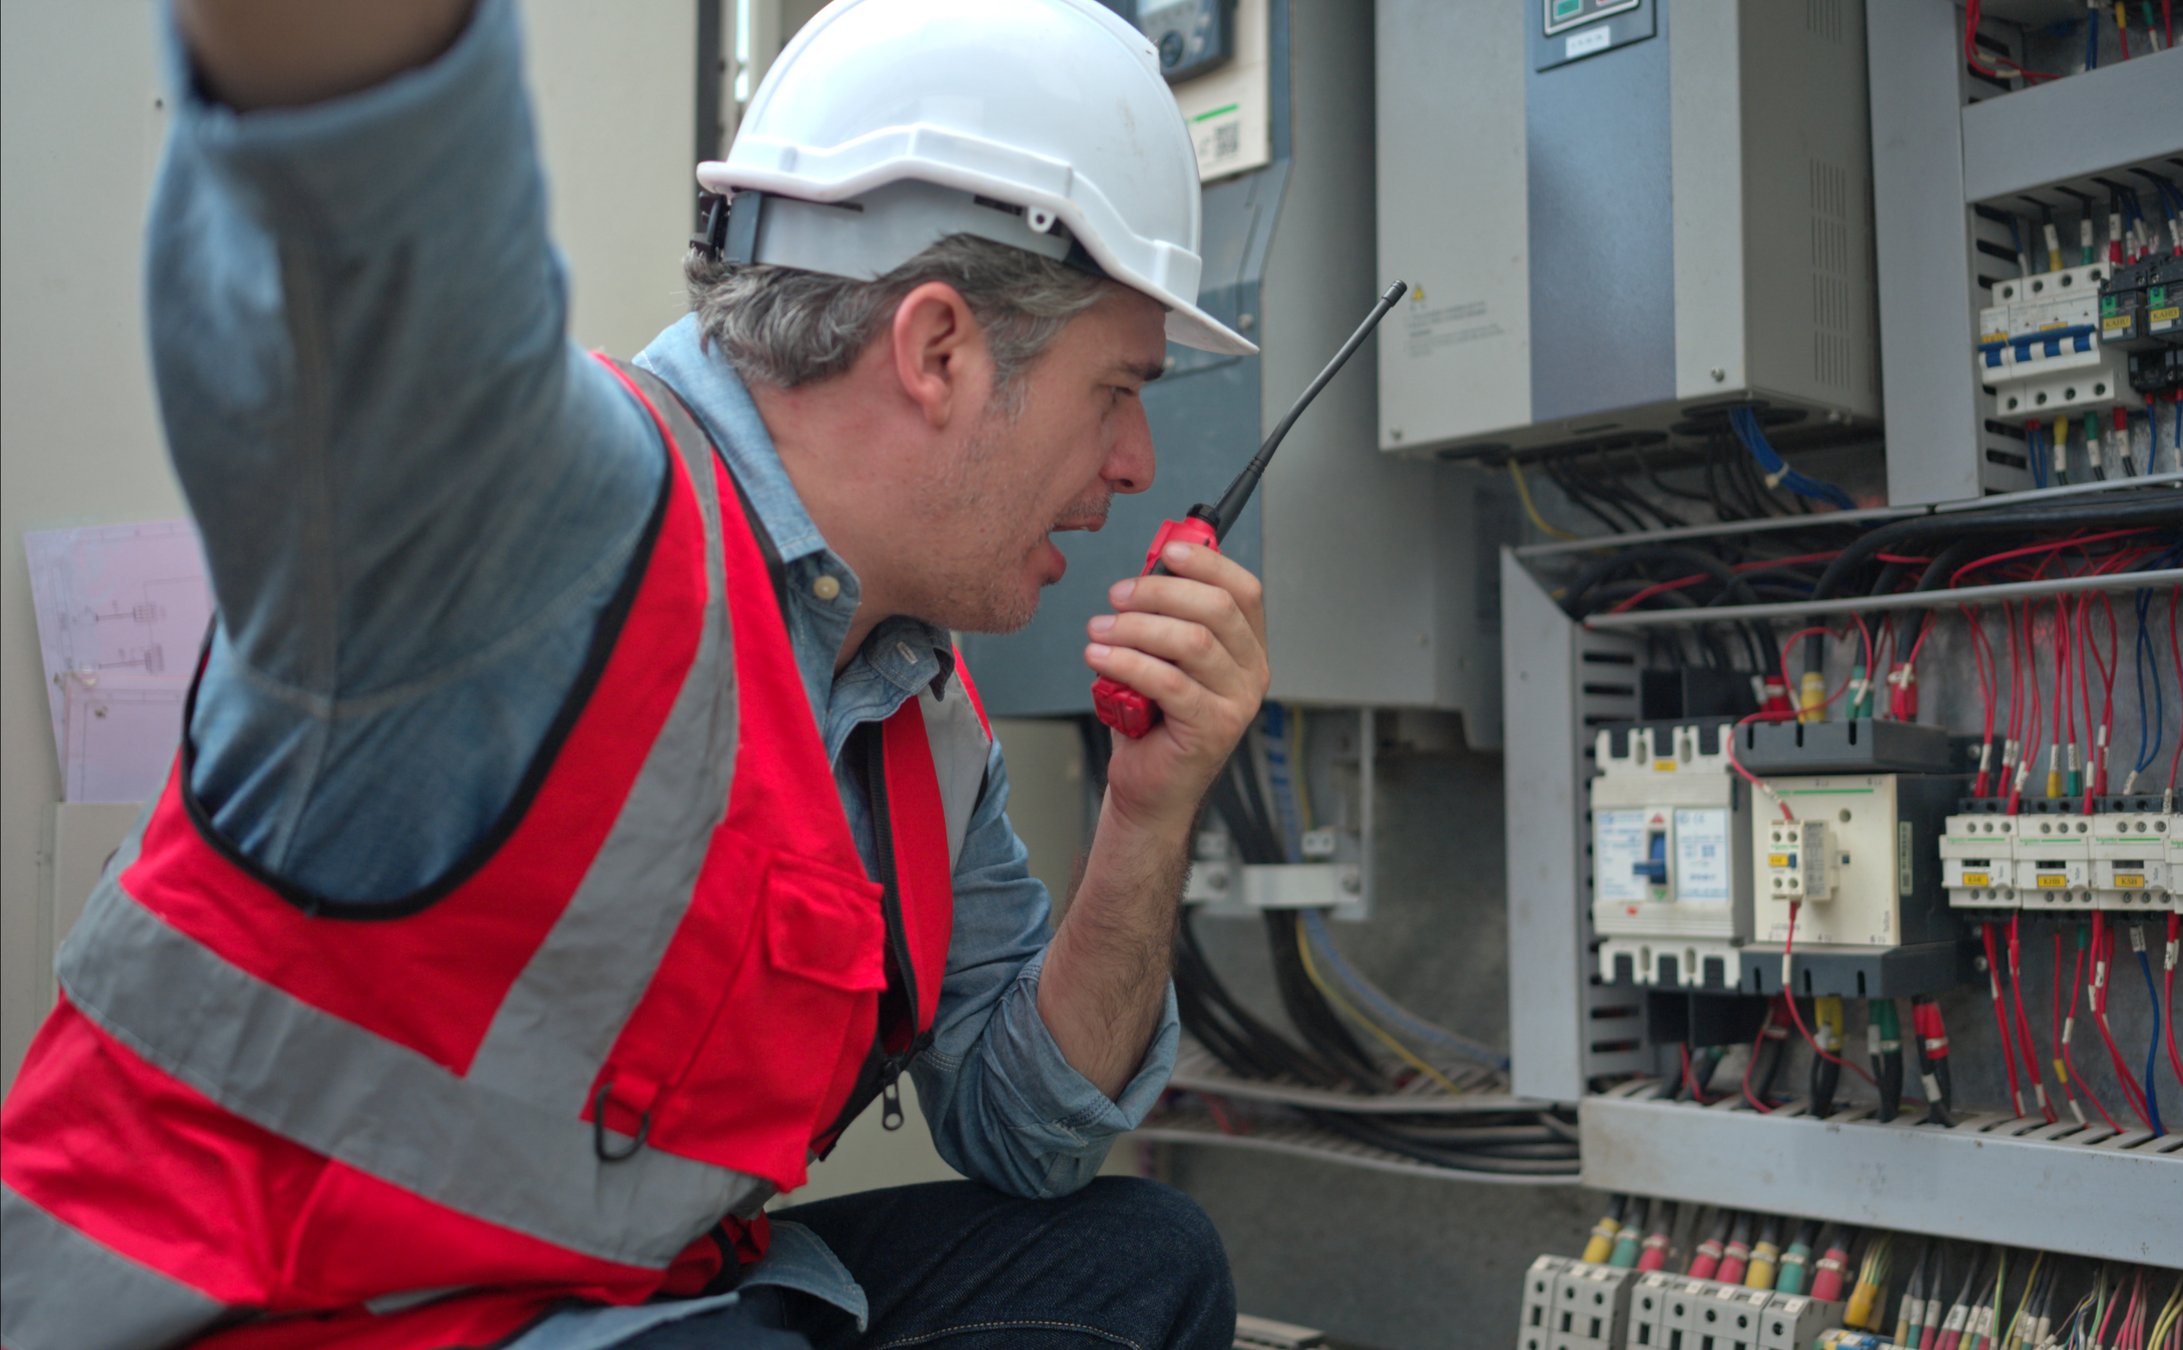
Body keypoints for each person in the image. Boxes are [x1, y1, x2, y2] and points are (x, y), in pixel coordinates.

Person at [0, 1, 1267, 1346]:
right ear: (938, 349)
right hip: (263, 1314)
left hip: (624, 1305)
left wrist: (1147, 813)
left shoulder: (915, 716)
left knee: (1141, 1260)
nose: (1136, 458)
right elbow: (364, 225)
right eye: (1114, 389)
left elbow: (1032, 1138)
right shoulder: (547, 528)